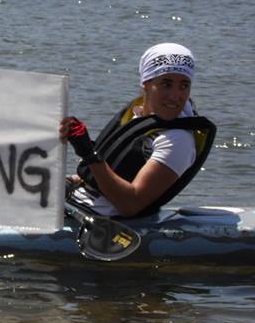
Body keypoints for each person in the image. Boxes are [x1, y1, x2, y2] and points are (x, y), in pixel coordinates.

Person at [59, 42, 216, 219]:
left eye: (184, 85)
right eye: (166, 84)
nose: (175, 96)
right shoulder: (137, 115)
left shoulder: (178, 140)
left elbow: (131, 204)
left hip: (104, 224)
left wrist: (88, 153)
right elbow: (106, 170)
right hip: (74, 204)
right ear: (146, 83)